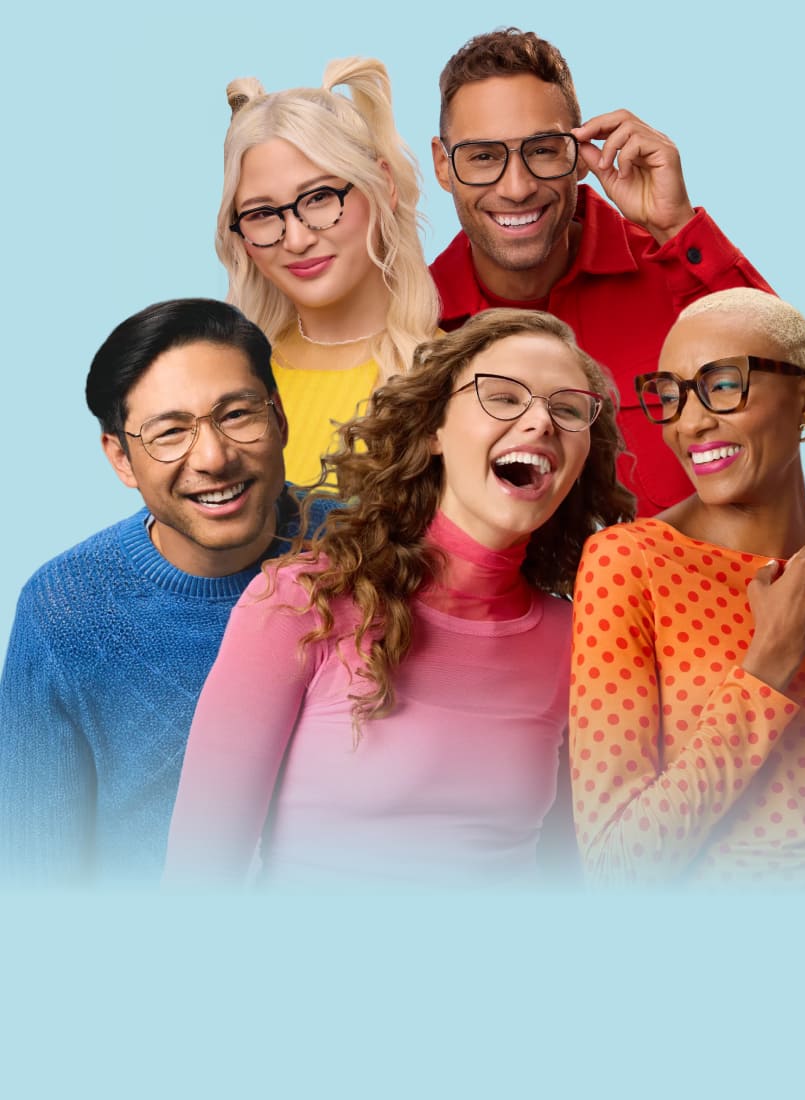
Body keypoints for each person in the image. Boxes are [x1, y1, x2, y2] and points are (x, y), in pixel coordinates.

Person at [165, 309, 635, 887]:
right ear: (435, 429)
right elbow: (198, 875)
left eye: (566, 409)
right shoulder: (302, 603)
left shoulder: (577, 638)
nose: (540, 422)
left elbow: (579, 873)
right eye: (506, 398)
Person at [569, 288, 805, 886]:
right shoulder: (629, 562)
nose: (690, 421)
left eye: (723, 385)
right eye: (670, 395)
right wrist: (770, 661)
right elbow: (616, 869)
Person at [0, 298, 310, 884]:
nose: (214, 458)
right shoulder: (63, 609)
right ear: (121, 457)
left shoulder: (371, 551)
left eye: (238, 415)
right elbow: (35, 879)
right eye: (169, 432)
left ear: (280, 418)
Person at [430, 27, 775, 516]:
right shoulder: (418, 320)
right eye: (483, 157)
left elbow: (786, 397)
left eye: (543, 150)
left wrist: (675, 224)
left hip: (691, 587)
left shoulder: (674, 270)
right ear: (443, 166)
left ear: (580, 155)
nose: (516, 187)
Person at [217, 57, 439, 488]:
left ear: (384, 185)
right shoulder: (227, 383)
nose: (296, 239)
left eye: (319, 198)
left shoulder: (454, 380)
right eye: (262, 213)